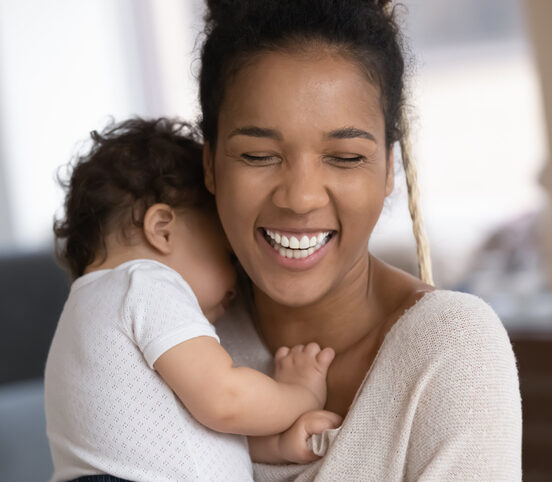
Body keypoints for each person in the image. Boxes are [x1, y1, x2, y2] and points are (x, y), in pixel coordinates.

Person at [198, 0, 522, 480]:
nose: (301, 197)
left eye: (346, 157)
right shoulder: (175, 337)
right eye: (259, 155)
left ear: (390, 169)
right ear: (209, 164)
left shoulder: (451, 351)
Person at [44, 118, 342, 482]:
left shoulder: (86, 312)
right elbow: (225, 400)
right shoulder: (147, 283)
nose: (238, 280)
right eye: (226, 254)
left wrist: (275, 446)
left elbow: (173, 439)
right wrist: (299, 394)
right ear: (162, 230)